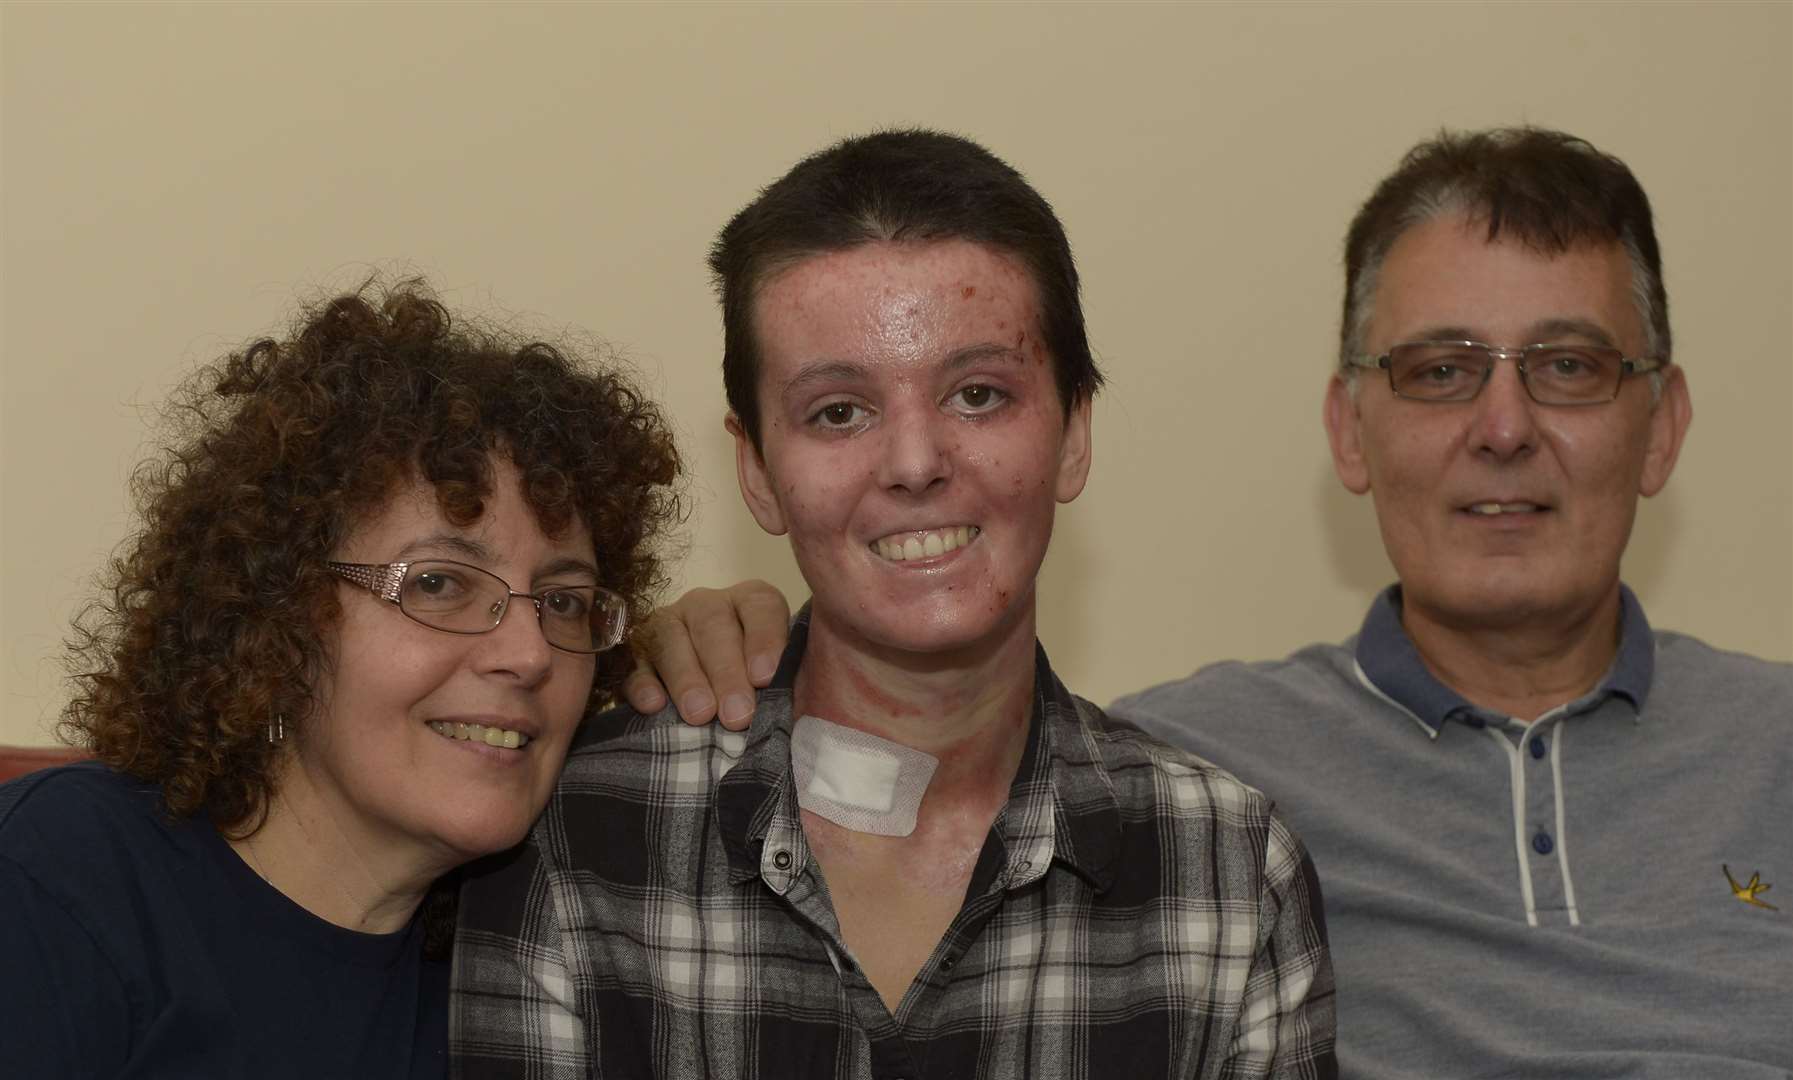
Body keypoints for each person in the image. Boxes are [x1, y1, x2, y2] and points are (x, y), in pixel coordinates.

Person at [624, 127, 1793, 1076]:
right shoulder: (1199, 790)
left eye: (1569, 367)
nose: (1501, 429)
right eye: (1437, 370)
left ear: (1663, 423)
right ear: (1348, 427)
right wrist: (724, 641)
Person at [453, 129, 1337, 1079]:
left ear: (1074, 432)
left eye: (978, 394)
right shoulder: (582, 833)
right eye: (839, 411)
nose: (915, 463)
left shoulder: (1227, 872)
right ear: (756, 469)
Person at [0, 281, 684, 1077]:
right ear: (280, 612)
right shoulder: (58, 880)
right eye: (437, 584)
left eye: (564, 601)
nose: (529, 653)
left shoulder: (531, 964)